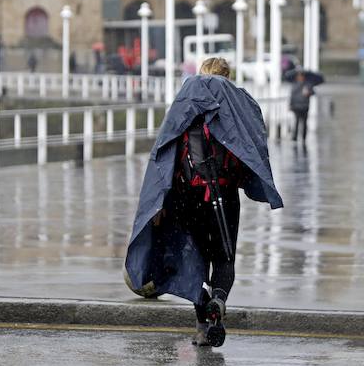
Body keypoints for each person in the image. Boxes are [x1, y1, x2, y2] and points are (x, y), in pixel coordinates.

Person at [125, 57, 283, 348]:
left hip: (188, 196)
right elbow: (254, 147)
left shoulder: (186, 103)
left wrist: (157, 203)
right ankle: (219, 302)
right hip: (224, 196)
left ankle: (202, 323)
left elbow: (164, 153)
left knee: (195, 260)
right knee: (224, 259)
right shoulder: (238, 105)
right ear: (228, 76)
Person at [289, 70, 313, 142]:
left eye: (301, 76)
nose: (299, 78)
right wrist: (291, 105)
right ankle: (295, 137)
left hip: (305, 106)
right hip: (297, 107)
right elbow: (292, 95)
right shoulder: (295, 84)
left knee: (304, 123)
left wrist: (308, 93)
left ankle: (303, 138)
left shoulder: (307, 85)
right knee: (296, 122)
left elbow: (312, 92)